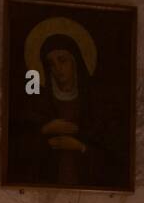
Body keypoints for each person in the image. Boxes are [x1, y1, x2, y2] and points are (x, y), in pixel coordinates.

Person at [12, 19, 127, 188]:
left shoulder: (97, 104)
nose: (57, 68)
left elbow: (115, 157)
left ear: (76, 63)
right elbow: (17, 152)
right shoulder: (38, 104)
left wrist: (80, 147)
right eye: (51, 64)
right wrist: (46, 131)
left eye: (62, 60)